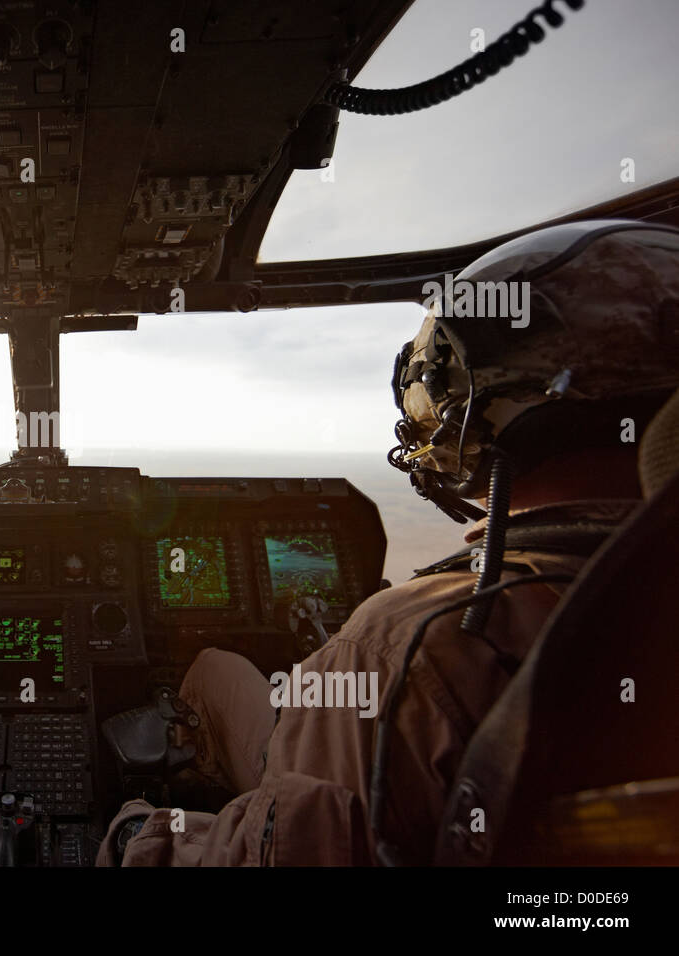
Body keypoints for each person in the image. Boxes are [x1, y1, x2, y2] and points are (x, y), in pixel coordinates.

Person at [99, 219, 679, 865]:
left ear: (468, 407)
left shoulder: (405, 645)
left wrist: (139, 831)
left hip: (347, 769)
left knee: (211, 668)